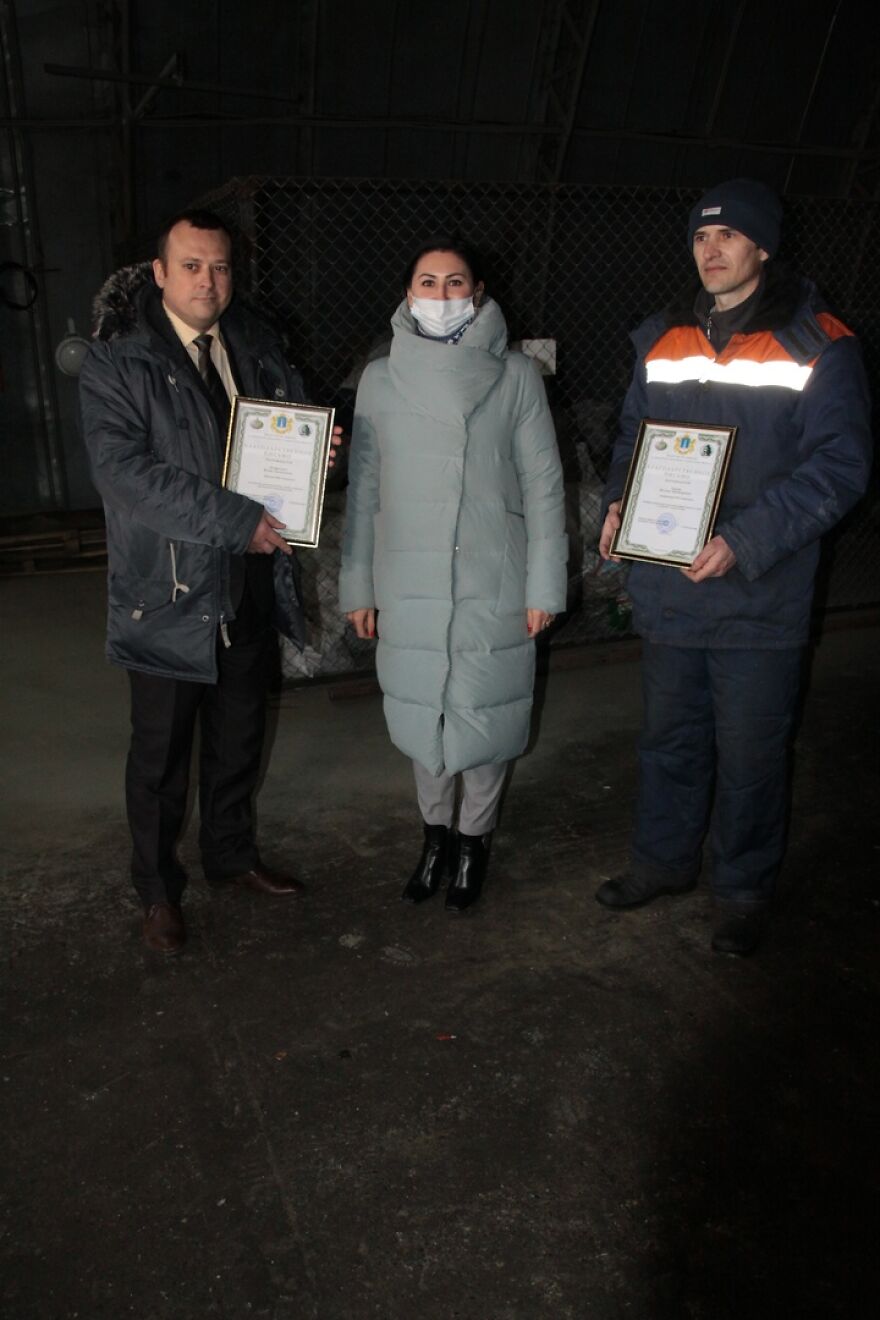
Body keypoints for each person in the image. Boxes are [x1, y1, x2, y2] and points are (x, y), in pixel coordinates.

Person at [596, 179, 872, 955]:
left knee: (752, 752)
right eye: (699, 238)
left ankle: (744, 888)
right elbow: (631, 436)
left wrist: (747, 541)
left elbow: (841, 467)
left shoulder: (818, 342)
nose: (710, 250)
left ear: (763, 246)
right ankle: (662, 863)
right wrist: (620, 503)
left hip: (759, 593)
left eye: (727, 237)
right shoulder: (662, 338)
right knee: (669, 739)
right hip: (672, 589)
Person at [80, 209, 339, 954]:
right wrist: (235, 521)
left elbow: (286, 437)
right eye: (191, 265)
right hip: (168, 590)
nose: (208, 280)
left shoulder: (255, 347)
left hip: (248, 578)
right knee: (160, 754)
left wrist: (321, 453)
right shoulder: (115, 360)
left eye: (220, 267)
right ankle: (157, 890)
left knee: (238, 733)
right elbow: (127, 475)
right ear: (158, 273)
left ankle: (230, 855)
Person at [339, 237, 567, 913]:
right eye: (428, 282)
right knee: (423, 712)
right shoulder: (379, 379)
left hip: (493, 574)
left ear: (479, 292)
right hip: (408, 577)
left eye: (455, 282)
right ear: (409, 294)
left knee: (486, 714)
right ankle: (434, 834)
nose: (441, 296)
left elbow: (545, 485)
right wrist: (358, 585)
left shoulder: (516, 374)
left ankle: (474, 841)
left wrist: (544, 586)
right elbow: (364, 488)